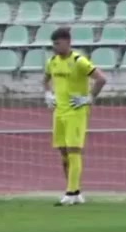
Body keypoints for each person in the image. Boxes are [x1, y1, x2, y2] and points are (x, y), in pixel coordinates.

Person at [43, 27, 108, 206]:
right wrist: (48, 94)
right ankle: (76, 192)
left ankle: (70, 193)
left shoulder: (79, 61)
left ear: (68, 42)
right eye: (53, 44)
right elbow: (45, 79)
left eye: (58, 43)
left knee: (74, 150)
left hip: (76, 111)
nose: (55, 47)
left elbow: (101, 78)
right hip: (59, 111)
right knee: (63, 153)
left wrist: (89, 98)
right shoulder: (52, 61)